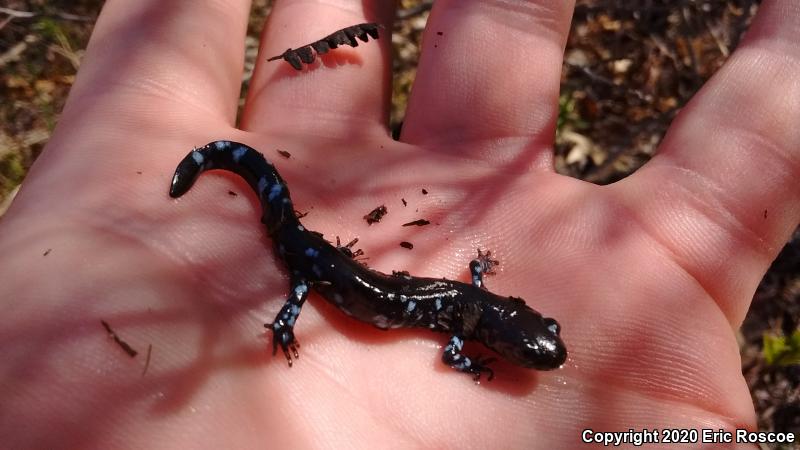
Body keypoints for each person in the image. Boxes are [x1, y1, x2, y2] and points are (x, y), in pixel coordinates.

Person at [0, 1, 797, 448]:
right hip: (321, 269)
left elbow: (460, 324)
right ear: (501, 330)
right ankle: (221, 166)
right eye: (530, 340)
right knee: (301, 267)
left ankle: (227, 170)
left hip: (342, 270)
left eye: (533, 339)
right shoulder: (461, 324)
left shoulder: (466, 308)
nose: (537, 344)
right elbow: (456, 347)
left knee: (312, 258)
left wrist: (478, 289)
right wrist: (293, 319)